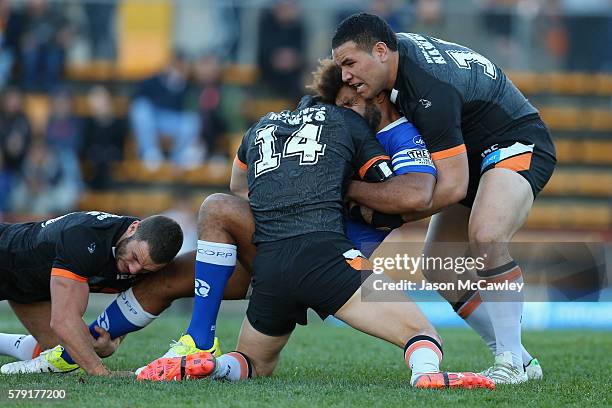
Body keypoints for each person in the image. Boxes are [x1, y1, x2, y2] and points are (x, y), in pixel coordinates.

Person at [137, 90, 494, 389]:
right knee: (423, 335)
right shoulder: (347, 121)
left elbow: (238, 186)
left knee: (252, 363)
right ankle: (426, 373)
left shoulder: (263, 126)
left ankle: (210, 363)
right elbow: (390, 186)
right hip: (327, 257)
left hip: (270, 263)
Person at [331, 13, 556, 383]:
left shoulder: (426, 87)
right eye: (341, 66)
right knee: (441, 266)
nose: (345, 76)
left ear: (382, 51)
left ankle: (511, 362)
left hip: (516, 141)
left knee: (486, 237)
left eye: (350, 63)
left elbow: (450, 188)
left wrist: (381, 203)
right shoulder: (399, 61)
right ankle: (522, 359)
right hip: (476, 152)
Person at [0, 211, 183, 376]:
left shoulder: (142, 263)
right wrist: (100, 372)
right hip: (6, 258)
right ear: (132, 229)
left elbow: (126, 308)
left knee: (62, 349)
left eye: (144, 270)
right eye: (134, 258)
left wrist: (113, 342)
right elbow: (64, 321)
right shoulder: (86, 236)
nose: (134, 270)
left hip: (31, 286)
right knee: (73, 338)